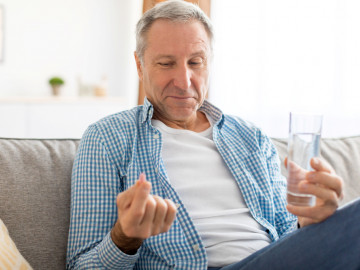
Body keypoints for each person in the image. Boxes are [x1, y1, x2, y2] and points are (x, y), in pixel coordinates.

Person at [66, 1, 360, 269]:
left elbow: (286, 232)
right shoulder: (107, 138)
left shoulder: (249, 137)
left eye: (196, 62)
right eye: (166, 63)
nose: (184, 81)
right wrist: (125, 237)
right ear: (140, 65)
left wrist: (310, 223)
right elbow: (82, 266)